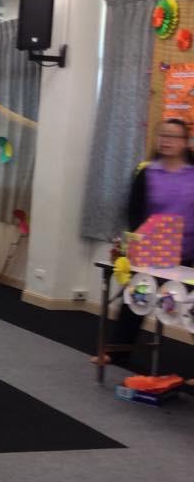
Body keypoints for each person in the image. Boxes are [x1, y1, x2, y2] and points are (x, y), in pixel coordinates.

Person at [94, 118, 194, 367]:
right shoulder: (147, 173)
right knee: (136, 298)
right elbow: (134, 211)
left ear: (185, 142)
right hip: (154, 252)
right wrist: (141, 241)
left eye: (173, 136)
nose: (167, 140)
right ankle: (116, 352)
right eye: (163, 135)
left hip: (189, 253)